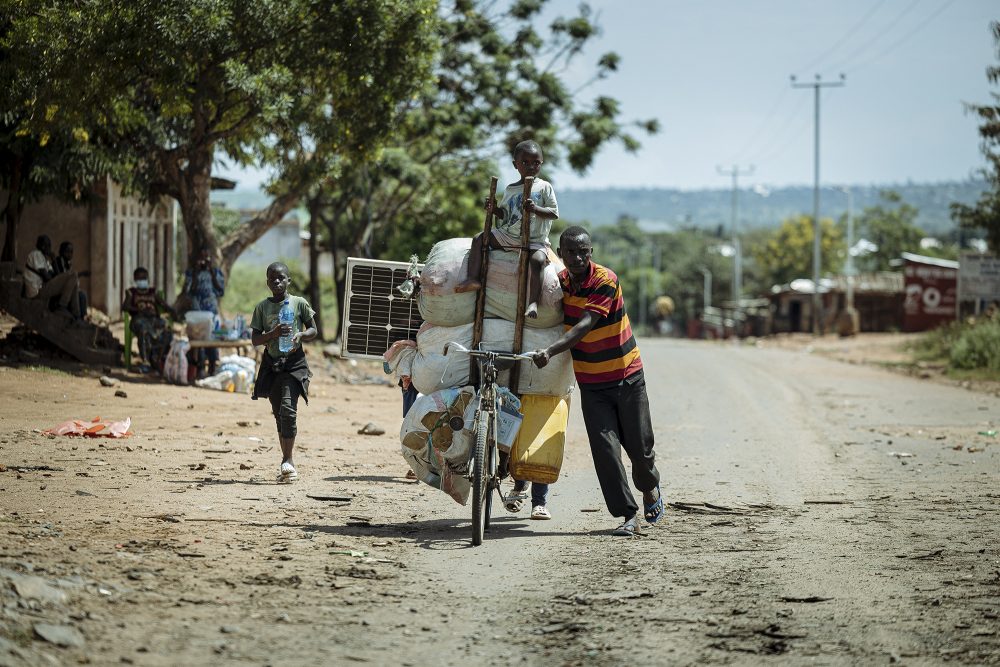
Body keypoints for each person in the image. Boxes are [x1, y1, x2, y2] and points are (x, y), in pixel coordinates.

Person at [529, 226, 664, 536]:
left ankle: (649, 487)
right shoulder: (560, 283)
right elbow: (539, 283)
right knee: (605, 452)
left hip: (627, 376)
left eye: (583, 252)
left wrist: (549, 351)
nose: (577, 258)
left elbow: (584, 326)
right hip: (592, 384)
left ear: (591, 253)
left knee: (641, 453)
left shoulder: (605, 280)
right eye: (571, 252)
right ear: (561, 254)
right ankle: (627, 516)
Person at [455, 140, 559, 319]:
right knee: (479, 239)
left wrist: (536, 209)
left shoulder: (544, 187)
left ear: (541, 163)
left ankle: (533, 302)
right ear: (515, 165)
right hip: (509, 235)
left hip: (535, 239)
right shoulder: (511, 189)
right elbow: (505, 215)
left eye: (536, 163)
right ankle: (473, 278)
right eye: (525, 162)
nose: (531, 166)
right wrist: (494, 209)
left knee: (538, 261)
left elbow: (553, 213)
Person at [250, 262, 318, 484]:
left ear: (289, 281)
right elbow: (255, 339)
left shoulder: (299, 304)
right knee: (279, 412)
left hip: (294, 363)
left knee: (289, 409)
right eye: (272, 278)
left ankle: (289, 460)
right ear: (267, 282)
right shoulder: (262, 308)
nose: (276, 282)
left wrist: (300, 336)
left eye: (281, 278)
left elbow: (313, 329)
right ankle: (285, 461)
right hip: (272, 365)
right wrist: (273, 333)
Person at [122, 267, 175, 373]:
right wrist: (139, 310)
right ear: (135, 279)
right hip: (139, 319)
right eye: (139, 278)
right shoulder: (131, 292)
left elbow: (163, 304)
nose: (142, 280)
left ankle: (158, 359)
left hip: (154, 319)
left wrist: (172, 311)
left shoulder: (152, 292)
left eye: (144, 278)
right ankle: (145, 362)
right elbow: (125, 307)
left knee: (167, 330)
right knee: (144, 329)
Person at [182, 249, 226, 377]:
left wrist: (212, 273)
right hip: (197, 312)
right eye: (201, 258)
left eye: (207, 258)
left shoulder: (216, 272)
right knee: (198, 339)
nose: (204, 261)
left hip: (211, 311)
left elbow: (220, 291)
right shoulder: (191, 273)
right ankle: (198, 367)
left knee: (212, 339)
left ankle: (212, 366)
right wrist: (196, 272)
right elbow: (190, 291)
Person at [23, 235, 82, 320]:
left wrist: (53, 261)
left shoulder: (45, 259)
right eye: (48, 246)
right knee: (73, 275)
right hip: (36, 292)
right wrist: (59, 282)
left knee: (74, 278)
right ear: (42, 246)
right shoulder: (36, 254)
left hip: (42, 289)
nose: (50, 248)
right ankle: (62, 306)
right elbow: (47, 277)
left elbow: (56, 275)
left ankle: (77, 315)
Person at [52, 241, 89, 317]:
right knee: (80, 296)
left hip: (67, 289)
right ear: (61, 252)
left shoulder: (68, 264)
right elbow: (62, 277)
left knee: (82, 295)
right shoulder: (58, 261)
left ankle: (81, 318)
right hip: (59, 290)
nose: (70, 254)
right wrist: (81, 274)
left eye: (71, 252)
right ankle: (75, 315)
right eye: (67, 251)